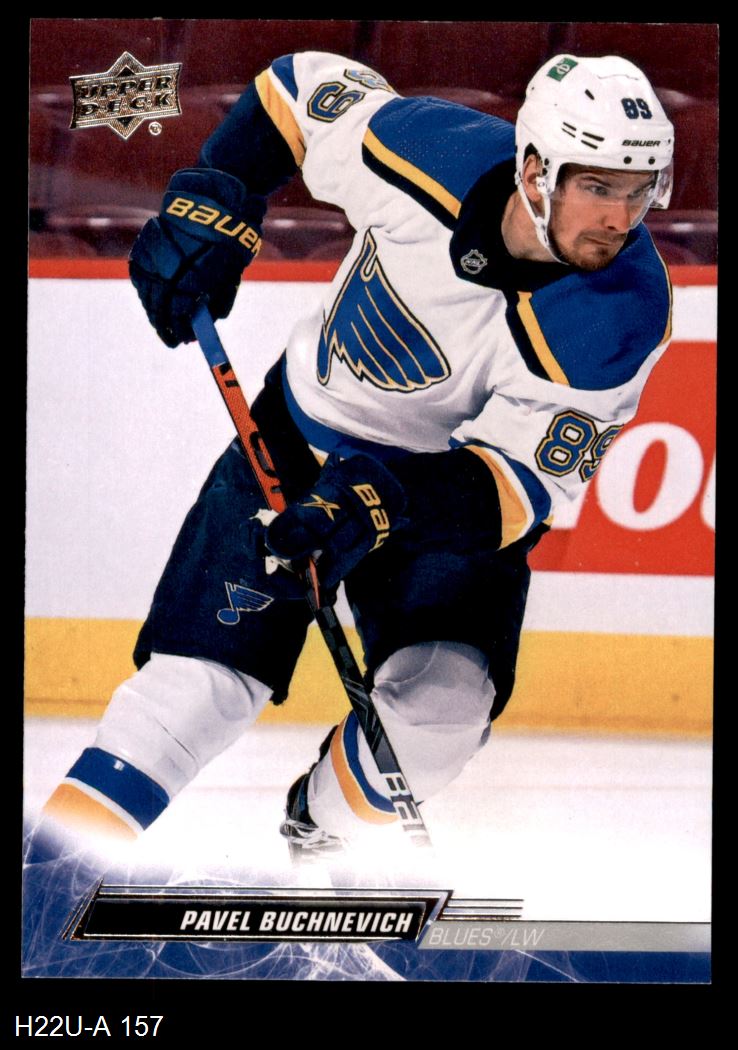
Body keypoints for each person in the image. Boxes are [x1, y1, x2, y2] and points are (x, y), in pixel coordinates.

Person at [39, 52, 674, 862]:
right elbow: (294, 89)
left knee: (438, 721)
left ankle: (320, 834)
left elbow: (518, 490)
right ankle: (47, 877)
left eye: (639, 189)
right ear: (535, 170)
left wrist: (378, 503)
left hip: (439, 508)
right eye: (599, 186)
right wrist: (219, 195)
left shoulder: (624, 312)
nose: (621, 217)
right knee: (191, 694)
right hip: (293, 447)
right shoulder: (427, 150)